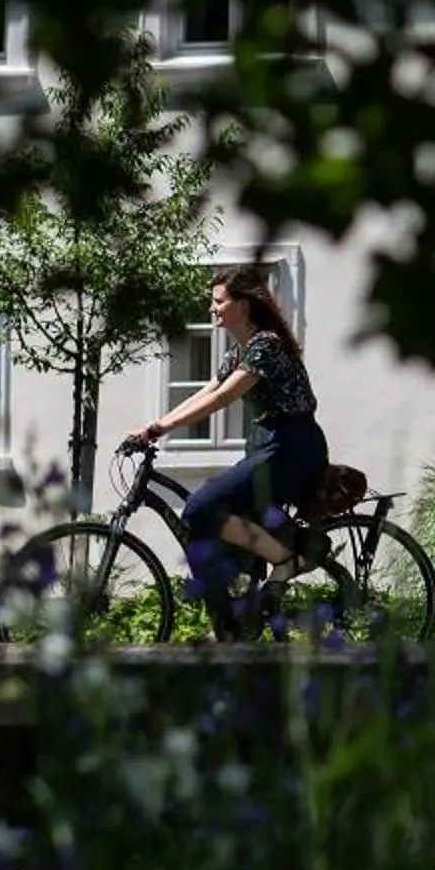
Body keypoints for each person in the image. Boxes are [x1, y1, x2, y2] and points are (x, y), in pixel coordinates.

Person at [132, 262, 328, 625]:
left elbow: (224, 398)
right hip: (268, 445)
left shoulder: (266, 345)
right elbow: (208, 391)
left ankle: (285, 561)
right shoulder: (239, 351)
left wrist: (162, 426)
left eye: (218, 301)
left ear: (243, 304)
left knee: (199, 508)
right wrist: (155, 425)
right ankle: (232, 620)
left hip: (292, 447)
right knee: (214, 517)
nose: (212, 309)